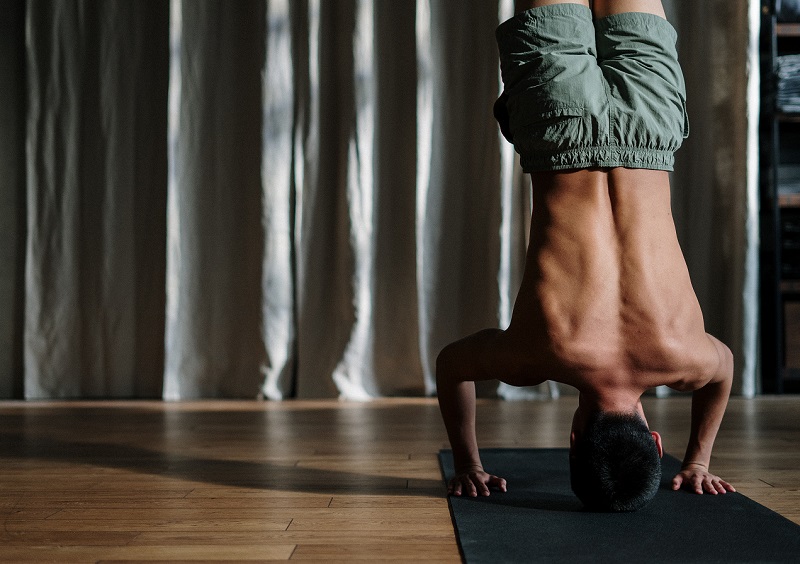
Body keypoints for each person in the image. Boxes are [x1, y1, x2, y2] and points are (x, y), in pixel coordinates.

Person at [436, 0, 735, 511]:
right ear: (575, 442)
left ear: (656, 442)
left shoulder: (688, 357)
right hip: (560, 125)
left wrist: (698, 461)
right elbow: (451, 366)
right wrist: (468, 465)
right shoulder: (535, 354)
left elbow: (724, 369)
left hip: (649, 131)